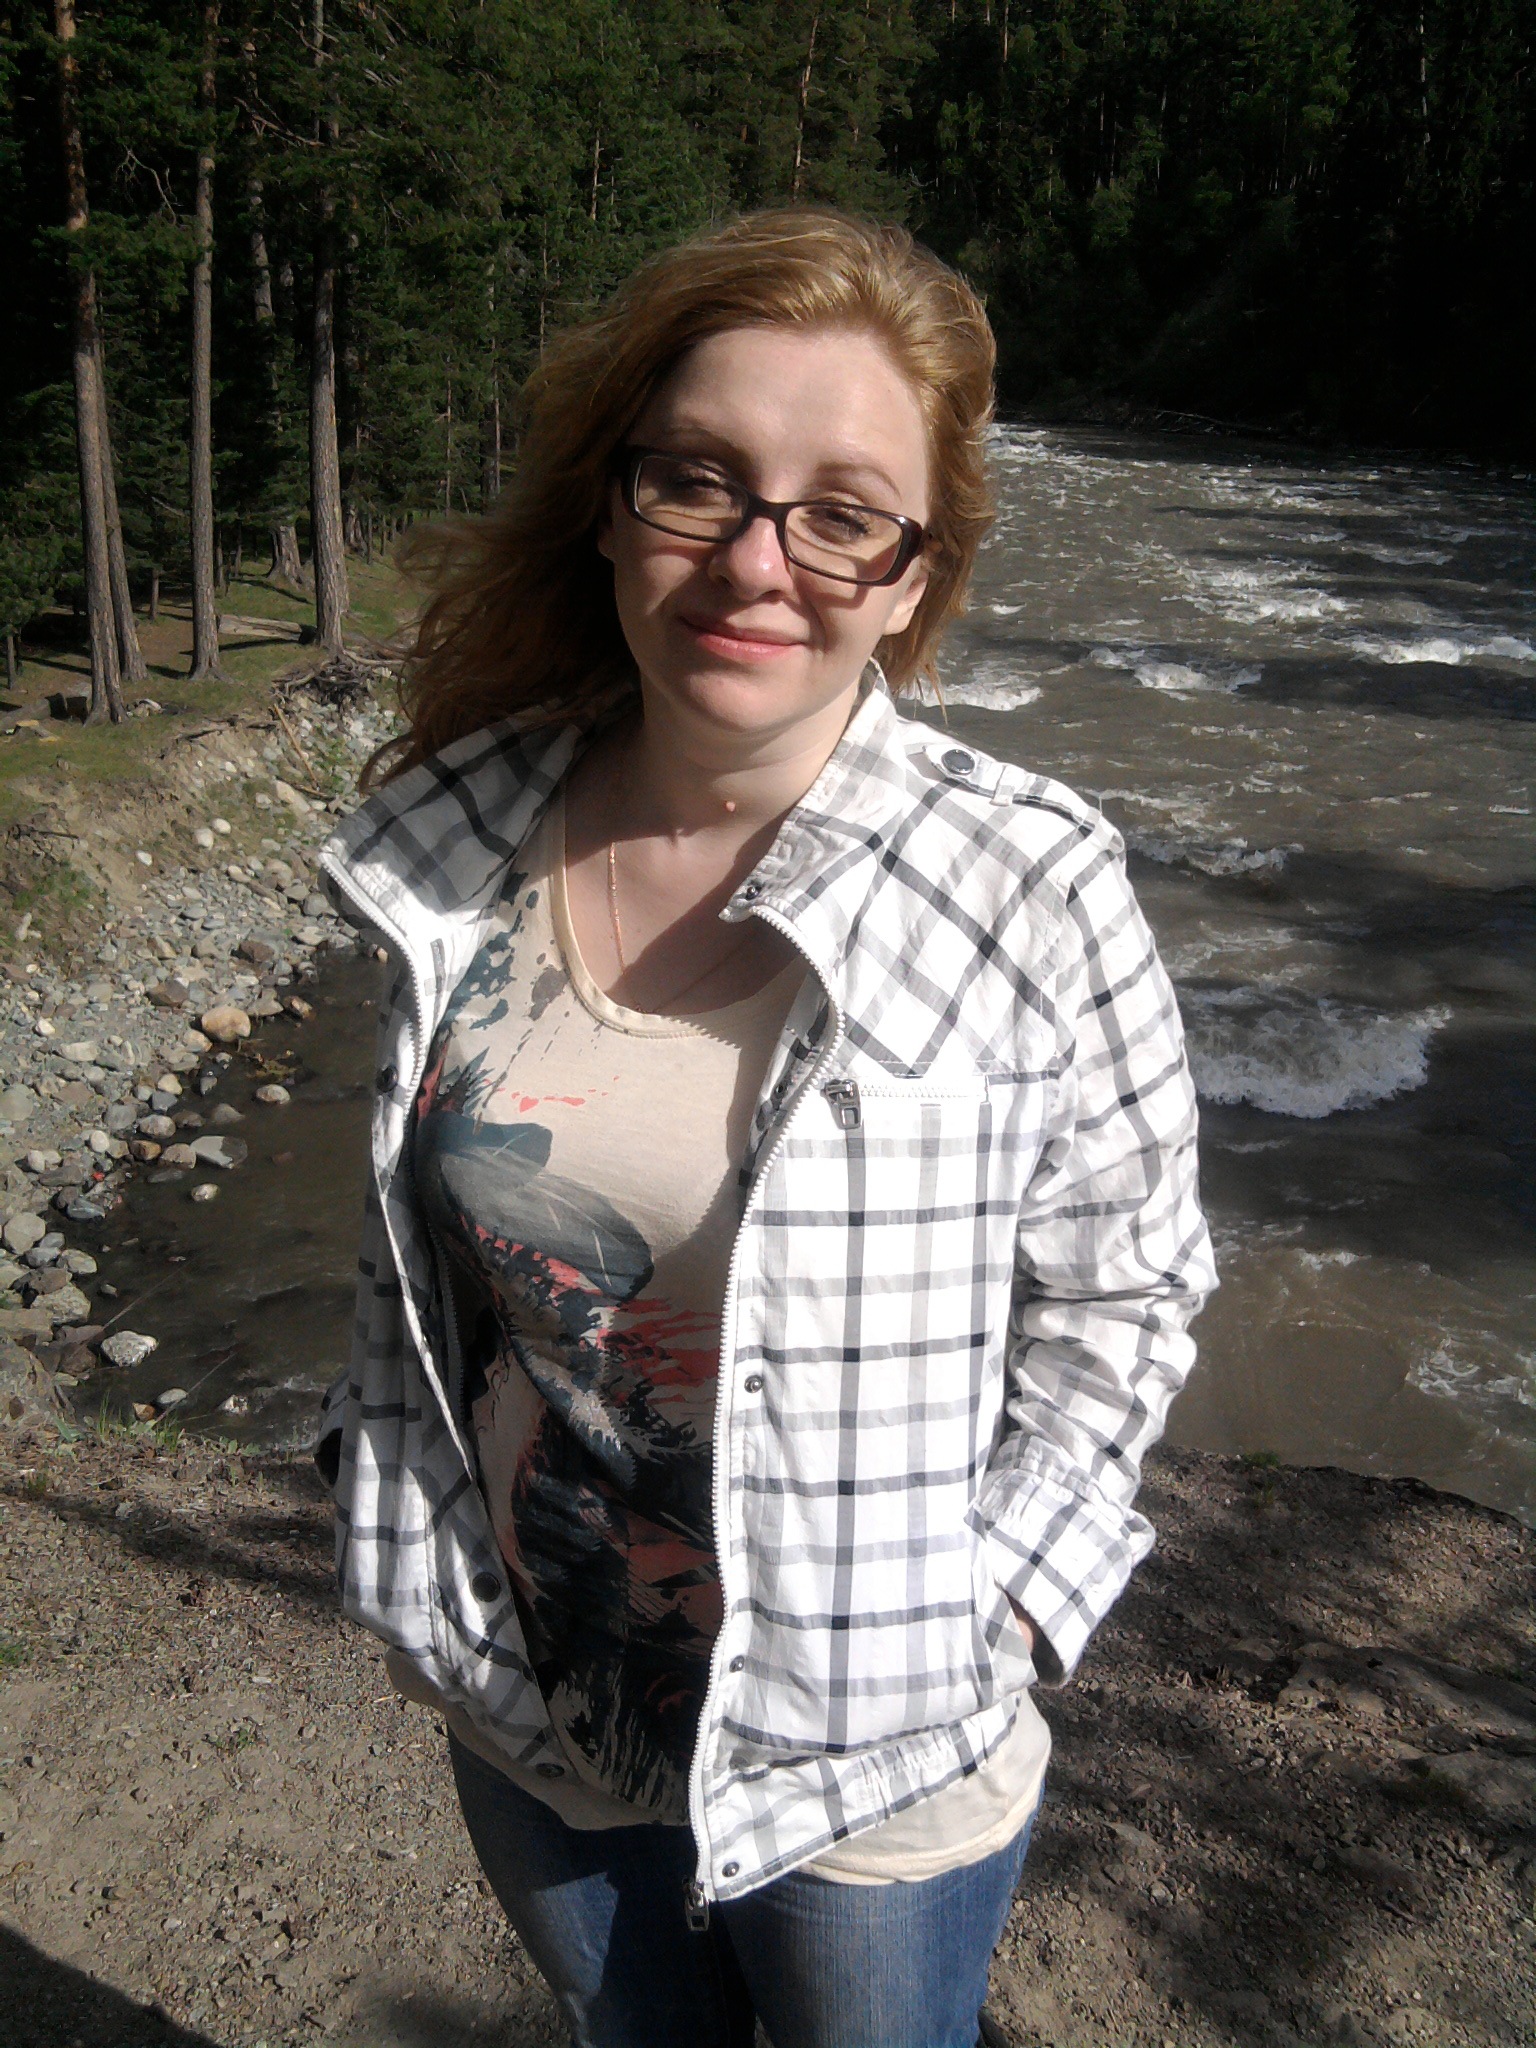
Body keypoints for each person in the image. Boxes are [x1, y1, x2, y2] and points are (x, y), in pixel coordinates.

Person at [315, 208, 1215, 2048]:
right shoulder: (459, 842)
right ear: (609, 501)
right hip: (531, 1702)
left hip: (869, 1767)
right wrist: (373, 1474)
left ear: (913, 574)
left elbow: (1130, 1293)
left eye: (841, 514)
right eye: (699, 480)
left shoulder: (1025, 884)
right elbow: (428, 1259)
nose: (755, 561)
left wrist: (999, 1613)